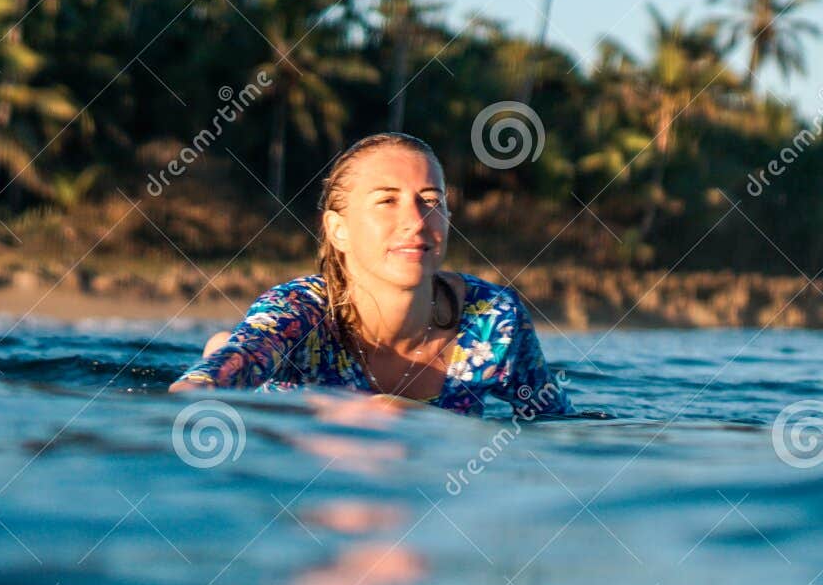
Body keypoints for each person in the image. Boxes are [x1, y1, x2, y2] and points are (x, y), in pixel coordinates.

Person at [169, 132, 572, 418]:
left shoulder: (492, 320)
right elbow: (201, 384)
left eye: (431, 201)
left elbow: (554, 423)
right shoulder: (300, 311)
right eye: (387, 201)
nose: (415, 221)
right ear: (338, 229)